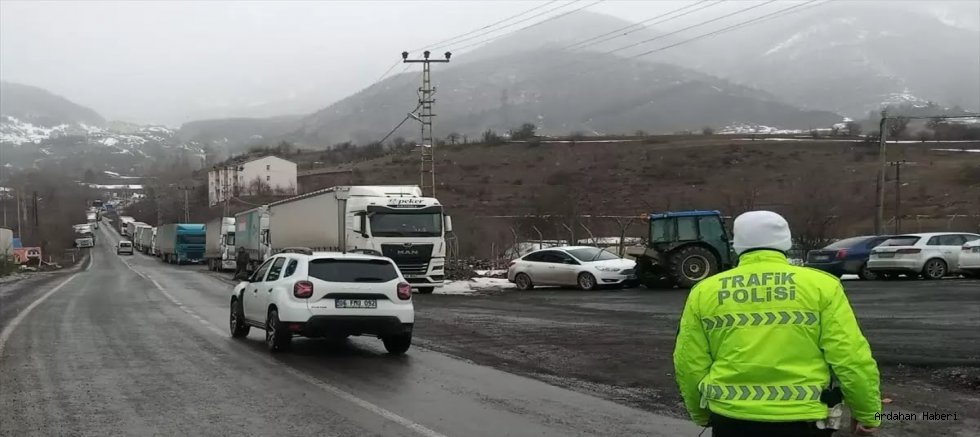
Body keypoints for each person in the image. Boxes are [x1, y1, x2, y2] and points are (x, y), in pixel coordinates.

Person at [673, 210, 881, 437]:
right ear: (786, 242)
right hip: (804, 419)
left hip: (731, 419)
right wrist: (867, 413)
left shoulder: (705, 291)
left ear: (738, 244)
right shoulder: (821, 286)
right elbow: (850, 356)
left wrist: (700, 413)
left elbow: (689, 361)